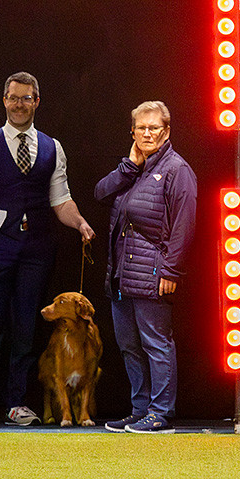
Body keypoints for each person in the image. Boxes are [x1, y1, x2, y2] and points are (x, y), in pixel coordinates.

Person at [0, 72, 96, 427]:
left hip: (36, 247)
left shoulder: (52, 147)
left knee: (25, 326)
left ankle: (17, 403)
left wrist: (79, 222)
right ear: (4, 101)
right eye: (14, 98)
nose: (20, 105)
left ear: (37, 102)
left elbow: (60, 199)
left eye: (27, 98)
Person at [94, 100, 197, 434]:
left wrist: (171, 271)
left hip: (154, 274)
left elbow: (184, 225)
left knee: (156, 343)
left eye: (155, 127)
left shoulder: (177, 170)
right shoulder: (134, 169)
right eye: (142, 127)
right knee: (129, 345)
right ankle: (140, 409)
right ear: (133, 132)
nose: (148, 133)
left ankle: (161, 412)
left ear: (166, 131)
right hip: (122, 273)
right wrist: (129, 165)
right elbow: (100, 192)